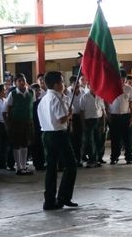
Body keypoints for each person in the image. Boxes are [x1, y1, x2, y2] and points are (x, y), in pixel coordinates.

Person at [37, 71, 79, 210]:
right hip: (57, 134)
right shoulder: (54, 98)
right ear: (56, 84)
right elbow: (61, 118)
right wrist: (69, 114)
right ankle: (63, 197)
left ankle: (49, 200)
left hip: (47, 134)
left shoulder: (46, 98)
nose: (63, 84)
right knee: (71, 165)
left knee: (51, 168)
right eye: (61, 81)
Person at [108, 71, 132, 164]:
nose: (123, 80)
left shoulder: (129, 89)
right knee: (115, 138)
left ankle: (128, 157)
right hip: (114, 116)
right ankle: (114, 157)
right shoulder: (111, 87)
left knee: (127, 138)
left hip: (125, 116)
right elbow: (106, 102)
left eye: (124, 79)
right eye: (121, 78)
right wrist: (108, 115)